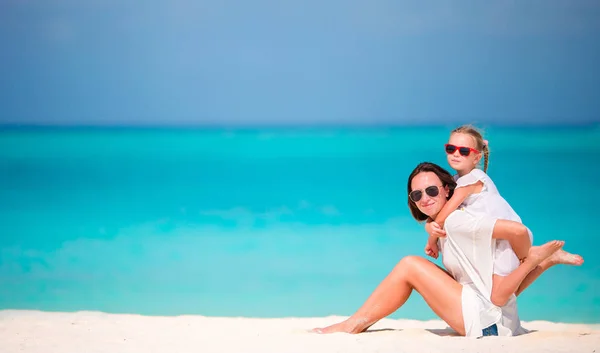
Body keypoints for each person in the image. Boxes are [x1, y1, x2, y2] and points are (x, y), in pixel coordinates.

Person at [312, 162, 582, 337]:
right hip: (499, 321)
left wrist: (527, 256)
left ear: (448, 190)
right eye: (416, 195)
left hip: (485, 325)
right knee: (463, 277)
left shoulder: (457, 220)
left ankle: (353, 324)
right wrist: (431, 230)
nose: (424, 199)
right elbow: (490, 283)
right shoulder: (445, 223)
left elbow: (515, 230)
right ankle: (545, 261)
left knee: (409, 265)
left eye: (431, 190)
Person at [423, 125, 583, 306]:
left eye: (464, 151)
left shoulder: (472, 179)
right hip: (494, 238)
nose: (456, 154)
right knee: (509, 291)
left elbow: (444, 214)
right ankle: (549, 259)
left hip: (507, 239)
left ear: (477, 157)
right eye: (451, 149)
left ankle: (534, 257)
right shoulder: (457, 180)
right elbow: (441, 212)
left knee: (499, 297)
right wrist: (429, 225)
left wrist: (431, 241)